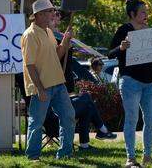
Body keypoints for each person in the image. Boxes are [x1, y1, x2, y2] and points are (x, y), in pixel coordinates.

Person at [109, 0, 152, 167]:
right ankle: (130, 158)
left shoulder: (150, 31)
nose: (146, 15)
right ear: (132, 14)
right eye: (143, 12)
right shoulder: (124, 30)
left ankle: (147, 156)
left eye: (146, 12)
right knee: (132, 118)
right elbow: (110, 53)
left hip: (149, 83)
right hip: (130, 81)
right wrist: (121, 48)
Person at [48, 11, 116, 147]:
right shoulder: (48, 38)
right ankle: (101, 129)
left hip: (65, 85)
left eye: (57, 15)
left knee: (87, 103)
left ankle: (87, 143)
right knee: (87, 100)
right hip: (55, 91)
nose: (58, 17)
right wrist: (64, 41)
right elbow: (57, 57)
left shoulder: (60, 36)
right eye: (53, 14)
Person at [21, 0, 76, 161]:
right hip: (42, 86)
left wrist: (65, 42)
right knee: (37, 122)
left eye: (52, 11)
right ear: (37, 15)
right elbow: (29, 65)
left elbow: (57, 54)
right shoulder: (30, 35)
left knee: (69, 116)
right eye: (49, 11)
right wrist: (39, 88)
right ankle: (32, 156)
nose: (53, 14)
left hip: (58, 83)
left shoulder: (49, 31)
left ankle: (65, 153)